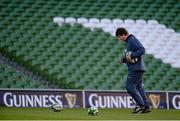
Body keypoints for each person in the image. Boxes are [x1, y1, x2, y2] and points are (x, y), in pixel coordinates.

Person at [115, 27, 151, 113]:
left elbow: (142, 49)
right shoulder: (129, 42)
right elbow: (129, 55)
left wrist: (133, 55)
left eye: (119, 37)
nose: (120, 39)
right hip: (139, 68)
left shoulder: (132, 40)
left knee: (129, 87)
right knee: (139, 88)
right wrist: (124, 60)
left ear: (123, 34)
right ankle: (146, 107)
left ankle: (140, 105)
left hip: (135, 69)